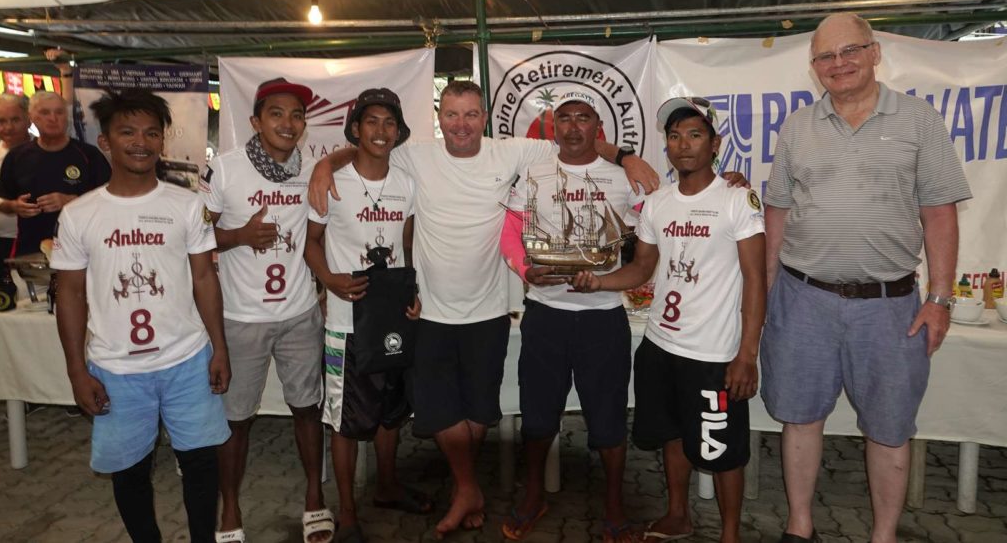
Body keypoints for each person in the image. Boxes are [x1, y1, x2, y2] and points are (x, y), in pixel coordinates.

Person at [309, 80, 659, 538]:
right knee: (438, 410)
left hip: (491, 310)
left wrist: (627, 156)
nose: (461, 125)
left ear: (485, 118)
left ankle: (468, 490)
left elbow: (579, 141)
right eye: (452, 114)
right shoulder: (416, 155)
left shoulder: (512, 152)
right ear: (439, 118)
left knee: (480, 410)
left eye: (471, 114)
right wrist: (324, 164)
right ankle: (468, 488)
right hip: (430, 312)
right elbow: (367, 149)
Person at [761, 13, 971, 543]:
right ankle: (799, 527)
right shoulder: (797, 127)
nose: (839, 63)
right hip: (802, 298)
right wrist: (768, 292)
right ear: (814, 66)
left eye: (850, 50)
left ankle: (883, 535)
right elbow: (778, 211)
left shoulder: (918, 120)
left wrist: (940, 299)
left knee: (890, 426)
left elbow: (939, 213)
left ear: (875, 52)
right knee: (799, 418)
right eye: (826, 56)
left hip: (890, 306)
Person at [574, 96, 766, 543]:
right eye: (675, 136)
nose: (684, 144)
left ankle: (731, 534)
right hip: (661, 345)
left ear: (715, 144)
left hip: (714, 353)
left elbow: (756, 280)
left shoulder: (737, 200)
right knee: (671, 433)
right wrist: (598, 281)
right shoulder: (658, 203)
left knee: (723, 450)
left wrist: (747, 355)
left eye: (695, 135)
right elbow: (642, 268)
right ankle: (678, 515)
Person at [51, 89, 231, 543]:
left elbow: (205, 279)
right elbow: (70, 293)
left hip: (187, 359)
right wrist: (76, 370)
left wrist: (219, 348)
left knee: (200, 462)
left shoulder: (186, 205)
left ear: (162, 141)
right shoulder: (78, 215)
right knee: (130, 470)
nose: (141, 142)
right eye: (127, 132)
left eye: (152, 133)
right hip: (116, 367)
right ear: (105, 141)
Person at [498, 88, 644, 542]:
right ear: (553, 126)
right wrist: (525, 270)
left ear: (598, 126)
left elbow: (652, 229)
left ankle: (615, 505)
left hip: (604, 317)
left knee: (609, 418)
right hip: (545, 315)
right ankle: (533, 496)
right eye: (565, 118)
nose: (574, 126)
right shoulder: (533, 174)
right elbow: (510, 232)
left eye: (583, 117)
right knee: (538, 415)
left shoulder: (622, 178)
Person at [200, 77, 333, 543]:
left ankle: (314, 498)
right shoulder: (225, 169)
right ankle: (231, 510)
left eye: (297, 115)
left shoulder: (311, 170)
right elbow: (196, 237)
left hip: (299, 314)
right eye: (276, 114)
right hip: (242, 317)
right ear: (256, 121)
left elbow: (316, 237)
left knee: (307, 409)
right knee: (236, 419)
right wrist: (238, 236)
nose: (288, 123)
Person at [304, 87, 431, 543]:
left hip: (393, 318)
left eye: (389, 123)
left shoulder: (407, 184)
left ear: (399, 132)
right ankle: (347, 513)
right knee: (345, 419)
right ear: (355, 129)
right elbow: (311, 242)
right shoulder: (331, 182)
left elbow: (408, 245)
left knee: (391, 411)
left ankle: (387, 486)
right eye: (371, 121)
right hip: (347, 321)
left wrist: (414, 291)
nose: (381, 131)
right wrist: (329, 280)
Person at [0, 90, 110, 256]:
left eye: (59, 112)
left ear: (66, 117)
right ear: (31, 118)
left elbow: (111, 201)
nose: (53, 118)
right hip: (30, 250)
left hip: (82, 249)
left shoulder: (89, 155)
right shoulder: (16, 156)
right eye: (45, 112)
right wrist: (13, 206)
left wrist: (72, 201)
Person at [0, 94, 31, 309]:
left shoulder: (46, 151)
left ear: (28, 119)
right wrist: (3, 193)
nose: (9, 127)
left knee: (30, 305)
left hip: (32, 243)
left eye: (15, 119)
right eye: (1, 121)